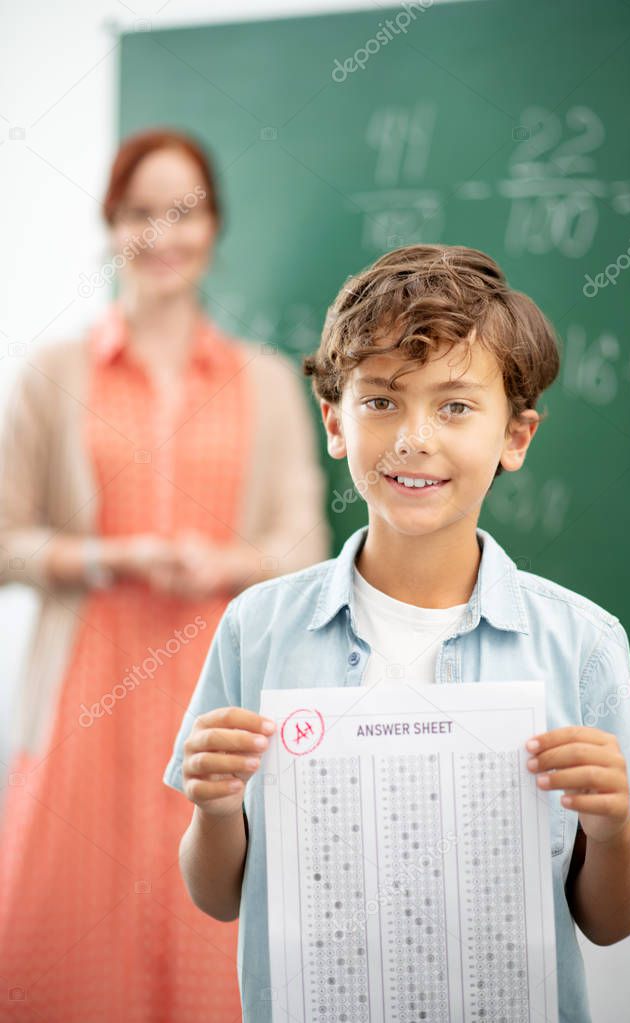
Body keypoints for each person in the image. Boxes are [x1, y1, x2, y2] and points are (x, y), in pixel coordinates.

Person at [161, 244, 630, 1023]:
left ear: (516, 436)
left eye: (455, 405)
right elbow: (218, 896)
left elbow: (611, 919)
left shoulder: (582, 643)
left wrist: (612, 823)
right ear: (335, 421)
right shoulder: (255, 628)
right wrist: (216, 809)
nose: (414, 436)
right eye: (381, 401)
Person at [0, 128, 329, 1019]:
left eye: (184, 211)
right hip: (84, 700)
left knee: (212, 938)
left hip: (222, 695)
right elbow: (4, 537)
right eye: (141, 212)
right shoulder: (53, 372)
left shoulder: (264, 381)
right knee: (68, 944)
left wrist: (226, 562)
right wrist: (108, 556)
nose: (163, 233)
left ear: (215, 227)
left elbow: (304, 541)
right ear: (112, 226)